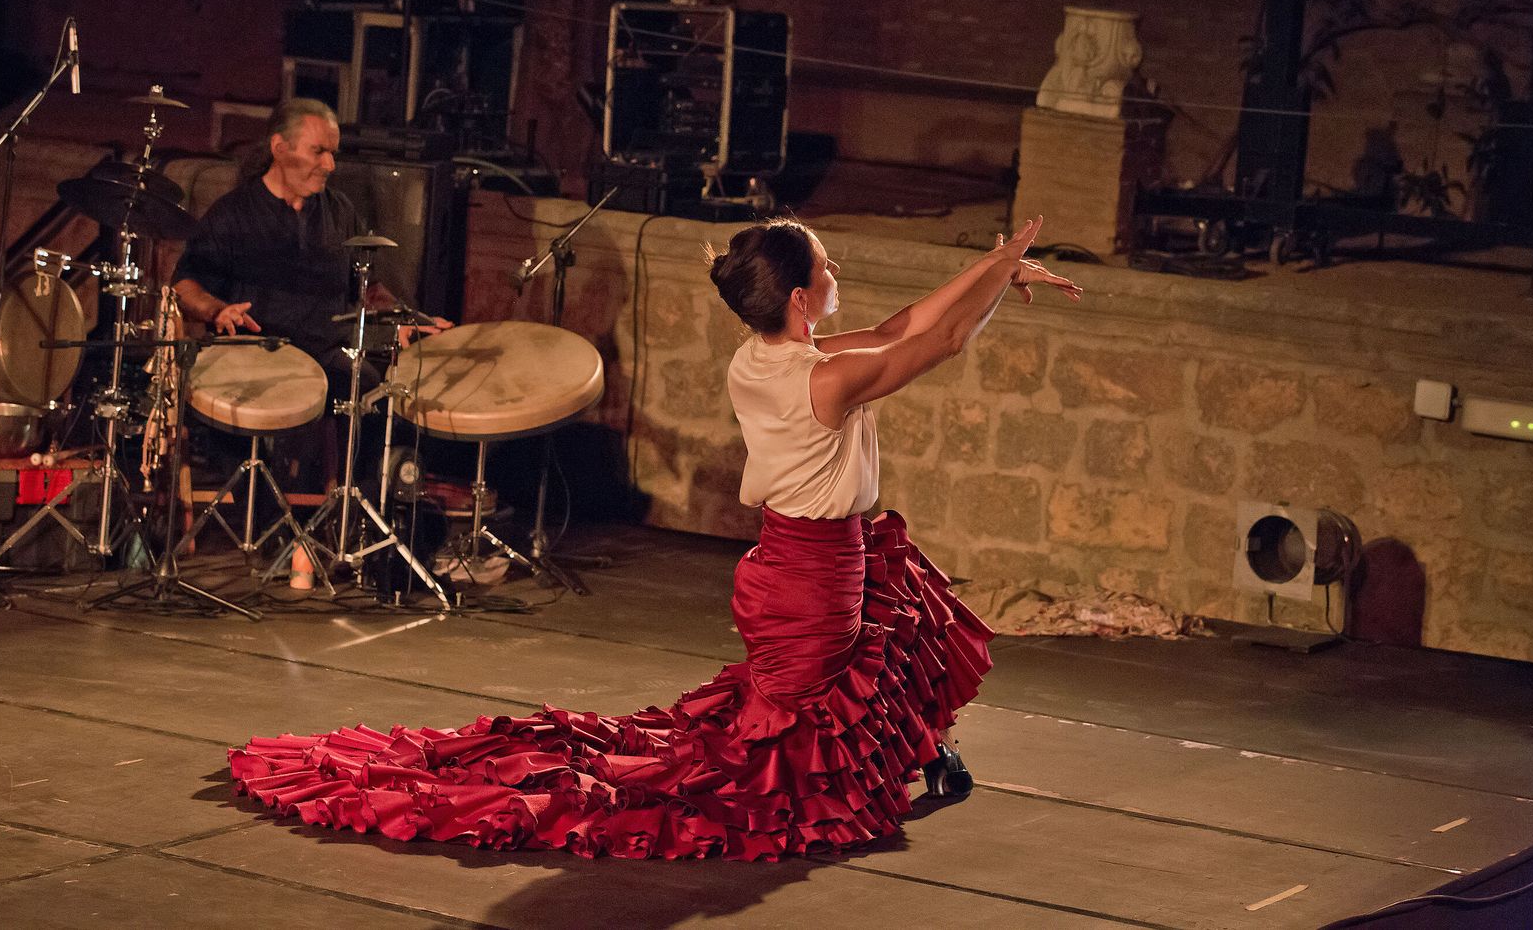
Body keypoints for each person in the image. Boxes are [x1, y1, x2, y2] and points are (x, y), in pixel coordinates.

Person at [226, 215, 1081, 859]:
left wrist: (993, 264)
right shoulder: (824, 380)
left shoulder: (768, 358)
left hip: (797, 564)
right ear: (798, 295)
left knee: (895, 618)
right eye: (826, 267)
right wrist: (1003, 272)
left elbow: (901, 325)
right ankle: (910, 760)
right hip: (811, 582)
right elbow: (943, 340)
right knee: (767, 753)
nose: (837, 272)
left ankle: (932, 751)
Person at [172, 99, 449, 582]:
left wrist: (412, 318)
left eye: (332, 153)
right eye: (319, 152)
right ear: (279, 149)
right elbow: (186, 284)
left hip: (324, 345)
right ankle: (290, 526)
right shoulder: (235, 212)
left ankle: (353, 531)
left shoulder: (338, 211)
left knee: (375, 385)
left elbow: (368, 289)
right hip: (260, 349)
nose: (330, 165)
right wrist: (218, 310)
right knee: (298, 395)